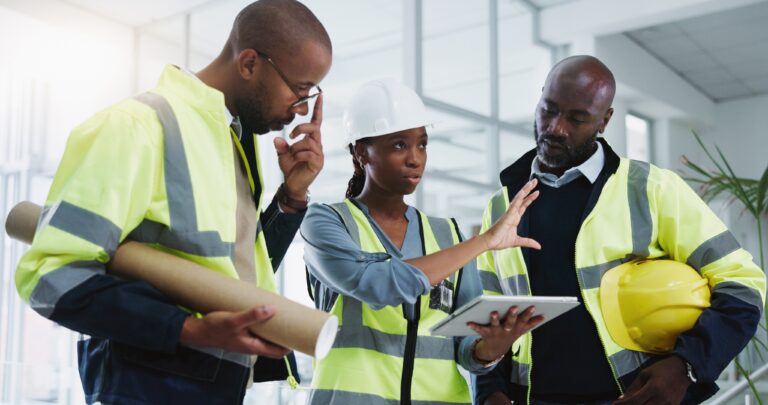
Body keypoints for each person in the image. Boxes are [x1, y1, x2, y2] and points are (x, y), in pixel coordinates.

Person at [14, 1, 331, 403]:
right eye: (300, 90)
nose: (302, 108)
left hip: (214, 386)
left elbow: (234, 272)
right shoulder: (137, 127)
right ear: (249, 64)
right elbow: (50, 275)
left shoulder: (233, 140)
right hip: (145, 387)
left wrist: (291, 197)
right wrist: (186, 328)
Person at [475, 55, 766, 405]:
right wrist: (489, 390)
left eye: (577, 118)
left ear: (604, 120)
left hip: (634, 395)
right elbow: (487, 311)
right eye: (548, 110)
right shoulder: (501, 203)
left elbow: (744, 283)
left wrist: (687, 365)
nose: (556, 128)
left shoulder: (652, 189)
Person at [300, 79, 544, 404]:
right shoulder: (327, 223)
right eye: (399, 145)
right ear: (361, 153)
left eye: (423, 144)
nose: (415, 159)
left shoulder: (448, 235)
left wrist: (494, 346)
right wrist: (484, 241)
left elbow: (467, 350)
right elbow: (377, 285)